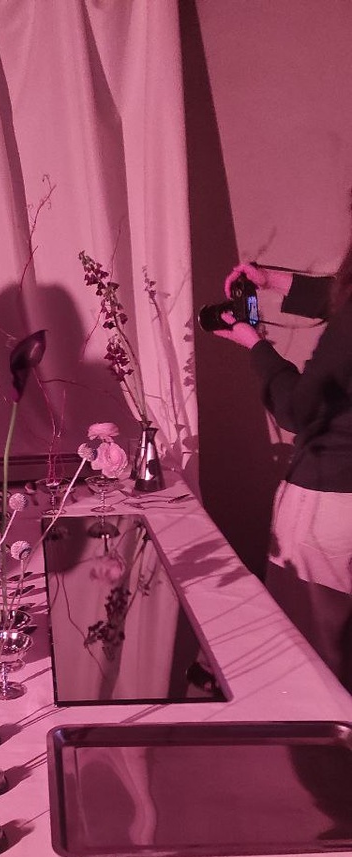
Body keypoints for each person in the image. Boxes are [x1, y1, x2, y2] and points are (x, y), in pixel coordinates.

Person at [215, 217, 352, 690]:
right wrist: (272, 281)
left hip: (329, 503)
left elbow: (297, 409)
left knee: (312, 661)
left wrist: (256, 346)